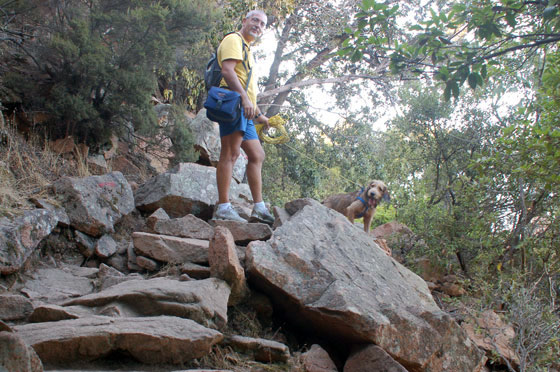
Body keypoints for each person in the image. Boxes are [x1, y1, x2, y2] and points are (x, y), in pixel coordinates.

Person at [213, 9, 274, 225]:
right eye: (255, 20)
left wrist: (259, 115)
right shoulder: (233, 39)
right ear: (245, 21)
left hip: (245, 109)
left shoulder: (246, 48)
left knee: (257, 155)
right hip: (233, 105)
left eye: (263, 24)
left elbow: (246, 87)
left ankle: (259, 208)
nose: (258, 25)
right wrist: (246, 102)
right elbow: (228, 71)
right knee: (230, 154)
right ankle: (223, 208)